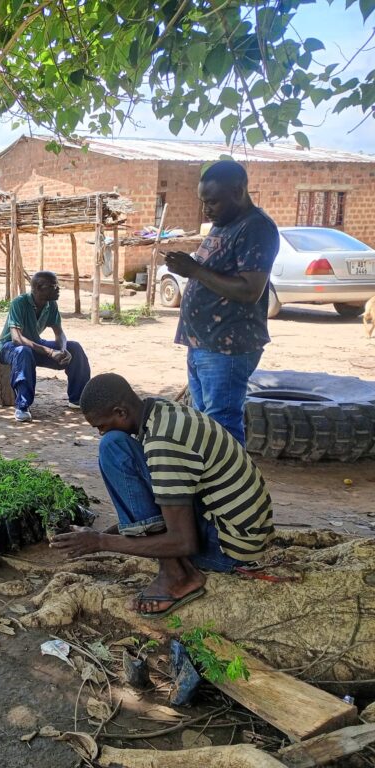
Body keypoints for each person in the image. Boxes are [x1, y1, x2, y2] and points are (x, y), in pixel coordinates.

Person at [51, 373, 274, 618]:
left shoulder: (163, 442)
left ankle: (177, 575)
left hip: (231, 550)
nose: (101, 432)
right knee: (117, 446)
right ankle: (175, 569)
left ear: (121, 412)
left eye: (101, 425)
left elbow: (184, 542)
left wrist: (100, 542)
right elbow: (162, 499)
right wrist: (101, 535)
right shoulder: (161, 412)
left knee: (113, 448)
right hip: (236, 527)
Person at [164, 160, 279, 444]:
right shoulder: (223, 224)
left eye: (213, 201)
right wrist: (188, 267)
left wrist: (194, 270)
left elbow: (250, 290)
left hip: (228, 347)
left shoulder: (256, 227)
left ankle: (231, 474)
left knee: (222, 428)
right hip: (203, 343)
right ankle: (210, 472)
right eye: (203, 201)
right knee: (205, 425)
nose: (206, 209)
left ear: (238, 191)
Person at [0, 271, 91, 422]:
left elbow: (59, 333)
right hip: (9, 347)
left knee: (74, 348)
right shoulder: (19, 303)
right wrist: (50, 352)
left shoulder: (51, 305)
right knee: (23, 351)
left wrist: (63, 349)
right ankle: (22, 406)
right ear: (38, 288)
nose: (58, 289)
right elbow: (17, 339)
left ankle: (77, 399)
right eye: (53, 286)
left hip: (34, 345)